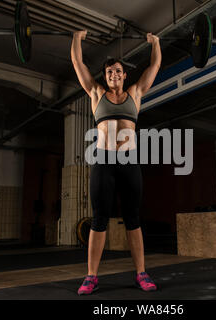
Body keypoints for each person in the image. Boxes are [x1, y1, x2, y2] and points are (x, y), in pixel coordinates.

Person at [71, 30, 162, 295]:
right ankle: (91, 277)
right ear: (106, 76)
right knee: (99, 219)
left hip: (129, 160)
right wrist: (77, 38)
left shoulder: (136, 92)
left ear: (125, 75)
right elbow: (78, 64)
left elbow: (154, 65)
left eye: (118, 71)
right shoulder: (96, 93)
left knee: (133, 219)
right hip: (103, 160)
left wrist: (155, 43)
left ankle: (141, 274)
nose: (114, 75)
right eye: (109, 71)